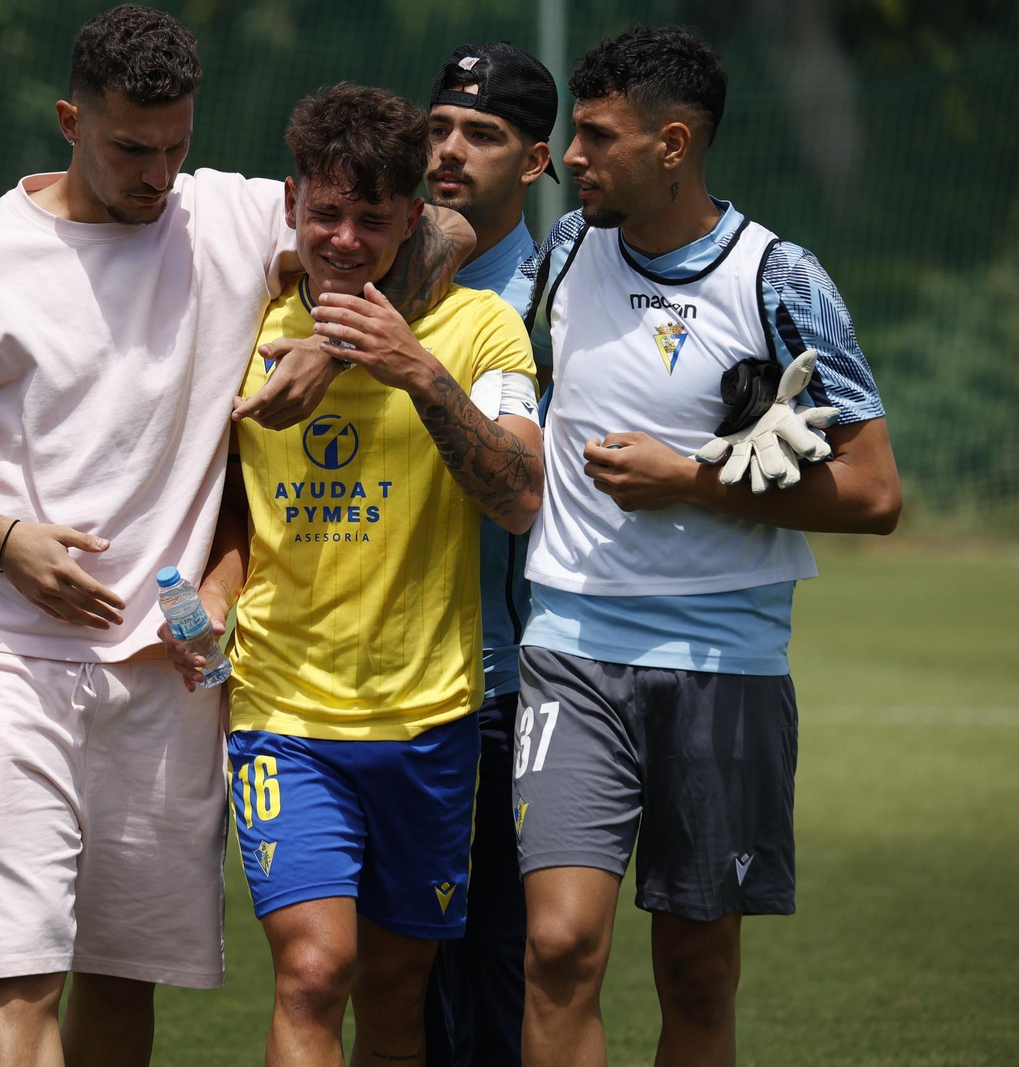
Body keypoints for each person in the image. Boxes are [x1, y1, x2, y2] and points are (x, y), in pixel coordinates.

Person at [0, 7, 472, 1066]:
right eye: (130, 148)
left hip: (172, 668)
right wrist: (4, 541)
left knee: (123, 974)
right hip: (10, 657)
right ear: (68, 120)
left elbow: (441, 232)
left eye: (174, 146)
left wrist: (328, 342)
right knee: (19, 972)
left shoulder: (225, 215)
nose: (155, 173)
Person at [512, 26, 901, 1067]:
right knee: (555, 945)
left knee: (693, 971)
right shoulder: (563, 252)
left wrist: (692, 478)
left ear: (673, 144)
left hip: (724, 663)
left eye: (596, 135)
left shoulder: (778, 277)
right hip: (571, 645)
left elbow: (873, 491)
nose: (572, 156)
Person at [162, 82, 543, 1067]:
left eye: (371, 219)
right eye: (324, 213)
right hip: (286, 713)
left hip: (431, 714)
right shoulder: (241, 330)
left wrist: (415, 370)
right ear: (291, 203)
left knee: (393, 985)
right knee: (314, 969)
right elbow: (236, 514)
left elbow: (518, 496)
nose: (342, 238)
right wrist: (213, 592)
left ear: (411, 218)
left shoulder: (481, 330)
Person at [418, 41, 559, 1067]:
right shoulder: (369, 258)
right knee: (395, 976)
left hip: (504, 683)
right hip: (374, 679)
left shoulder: (559, 291)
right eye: (436, 128)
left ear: (537, 161)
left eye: (482, 134)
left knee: (498, 974)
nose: (449, 151)